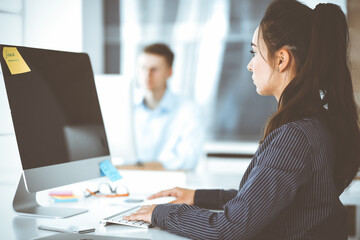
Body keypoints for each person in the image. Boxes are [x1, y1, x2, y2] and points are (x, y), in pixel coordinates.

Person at [124, 0, 360, 239]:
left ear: (281, 60)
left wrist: (160, 213)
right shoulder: (317, 122)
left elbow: (228, 228)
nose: (249, 65)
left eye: (254, 52)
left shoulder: (294, 137)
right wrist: (197, 197)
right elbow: (261, 200)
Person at [133, 43, 205, 170]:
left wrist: (138, 167)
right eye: (143, 68)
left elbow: (187, 159)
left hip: (172, 183)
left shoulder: (189, 110)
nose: (147, 75)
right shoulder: (126, 108)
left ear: (169, 72)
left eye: (154, 69)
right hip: (129, 178)